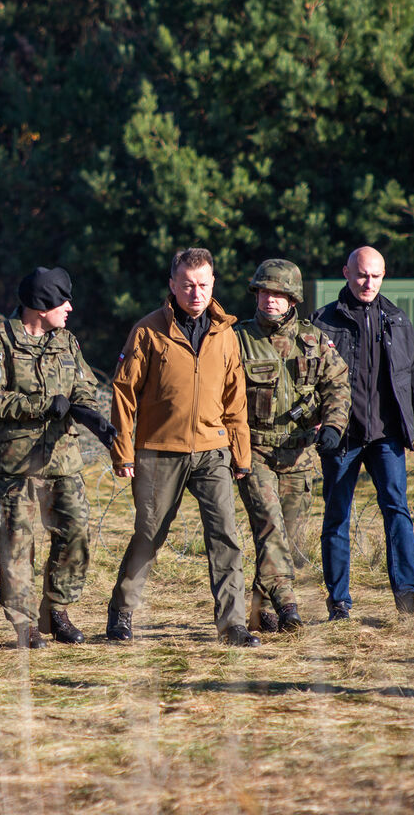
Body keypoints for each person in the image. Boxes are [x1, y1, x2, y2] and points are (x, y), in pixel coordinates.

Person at [106, 247, 258, 647]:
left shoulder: (225, 334)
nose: (196, 292)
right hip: (159, 451)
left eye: (203, 284)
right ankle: (122, 612)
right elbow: (123, 393)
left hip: (212, 451)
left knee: (225, 535)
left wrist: (241, 454)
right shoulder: (148, 331)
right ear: (173, 285)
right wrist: (123, 451)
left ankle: (232, 624)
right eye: (188, 285)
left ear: (213, 284)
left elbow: (235, 400)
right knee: (149, 534)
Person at [0, 267, 116, 649]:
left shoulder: (66, 341)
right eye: (62, 301)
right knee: (17, 544)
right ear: (40, 305)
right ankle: (25, 624)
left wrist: (90, 415)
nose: (69, 308)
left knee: (76, 531)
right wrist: (42, 405)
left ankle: (56, 609)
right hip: (14, 465)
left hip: (62, 460)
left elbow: (82, 386)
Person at [312, 245, 414, 620]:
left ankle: (408, 596)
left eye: (376, 276)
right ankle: (339, 603)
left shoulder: (397, 320)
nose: (369, 283)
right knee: (337, 517)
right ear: (346, 273)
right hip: (342, 436)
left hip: (387, 436)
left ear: (384, 277)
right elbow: (308, 378)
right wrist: (318, 419)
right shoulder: (323, 322)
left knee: (397, 511)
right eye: (362, 275)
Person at [235, 259, 349, 633]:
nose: (270, 299)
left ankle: (260, 611)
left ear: (293, 299)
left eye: (278, 293)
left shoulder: (313, 341)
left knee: (286, 537)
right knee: (271, 528)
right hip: (255, 452)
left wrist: (333, 425)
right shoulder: (238, 340)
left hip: (298, 454)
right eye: (264, 292)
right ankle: (287, 605)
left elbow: (337, 384)